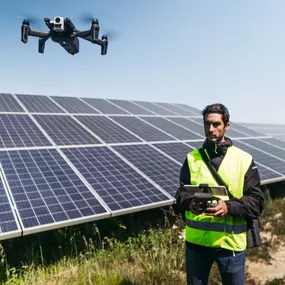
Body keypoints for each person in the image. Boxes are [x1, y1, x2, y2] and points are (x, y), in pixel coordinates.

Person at [175, 103, 265, 285]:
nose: (211, 129)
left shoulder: (243, 159)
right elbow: (180, 194)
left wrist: (228, 207)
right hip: (196, 245)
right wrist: (188, 203)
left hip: (230, 245)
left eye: (216, 124)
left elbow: (257, 201)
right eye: (207, 124)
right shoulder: (192, 158)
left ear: (226, 126)